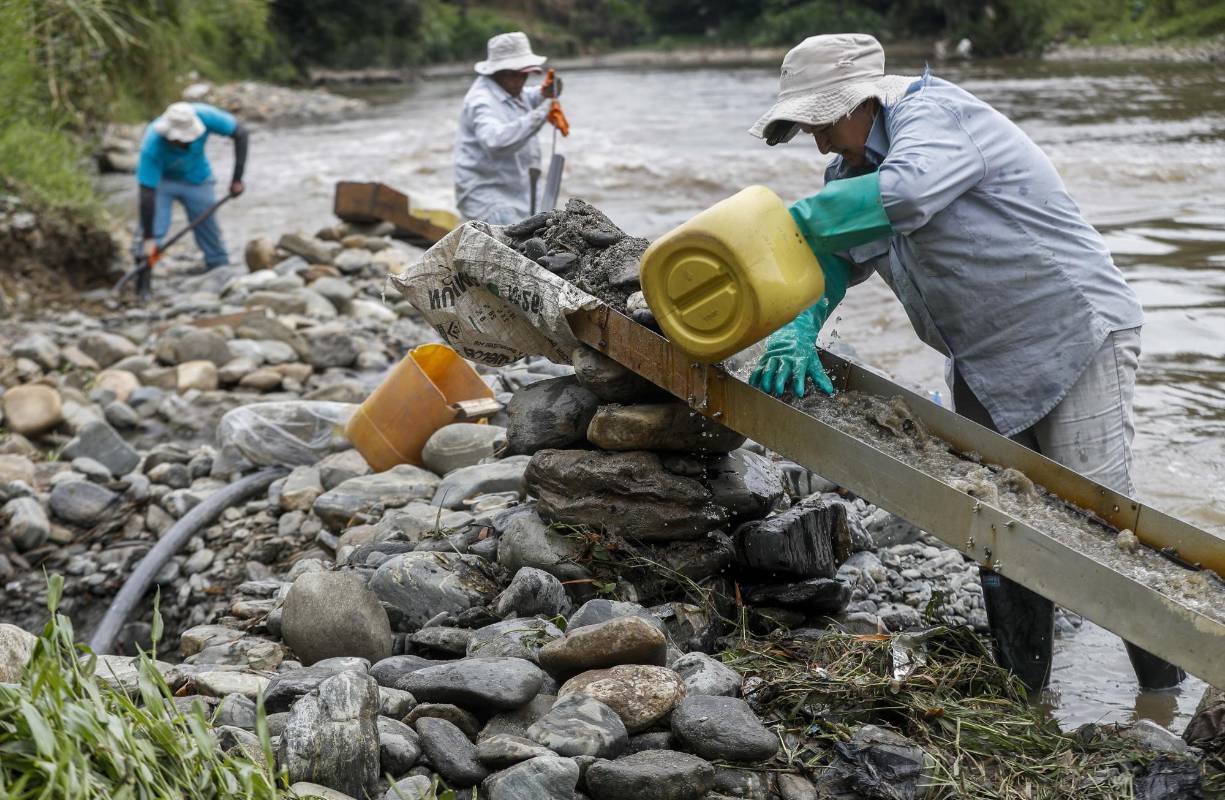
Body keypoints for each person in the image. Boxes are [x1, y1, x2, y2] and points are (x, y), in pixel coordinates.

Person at [748, 33, 1183, 693]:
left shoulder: (935, 120)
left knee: (1105, 523)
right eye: (804, 127)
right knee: (996, 518)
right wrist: (797, 326)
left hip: (1072, 332)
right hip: (982, 356)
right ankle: (1024, 692)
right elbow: (836, 258)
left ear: (860, 101)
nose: (817, 142)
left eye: (820, 122)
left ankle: (1162, 698)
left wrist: (795, 218)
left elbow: (908, 193)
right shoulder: (847, 172)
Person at [454, 31, 564, 224]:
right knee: (513, 244)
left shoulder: (510, 88)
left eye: (525, 75)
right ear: (498, 72)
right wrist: (542, 112)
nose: (521, 81)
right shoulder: (481, 101)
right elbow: (495, 142)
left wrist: (544, 93)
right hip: (487, 196)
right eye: (515, 75)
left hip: (516, 190)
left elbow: (525, 97)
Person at [136, 101, 247, 270]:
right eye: (180, 141)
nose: (186, 143)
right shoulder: (152, 144)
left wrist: (237, 179)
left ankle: (219, 270)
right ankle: (143, 276)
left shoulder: (206, 116)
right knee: (152, 235)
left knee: (209, 231)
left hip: (198, 178)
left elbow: (241, 133)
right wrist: (148, 238)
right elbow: (146, 194)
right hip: (161, 182)